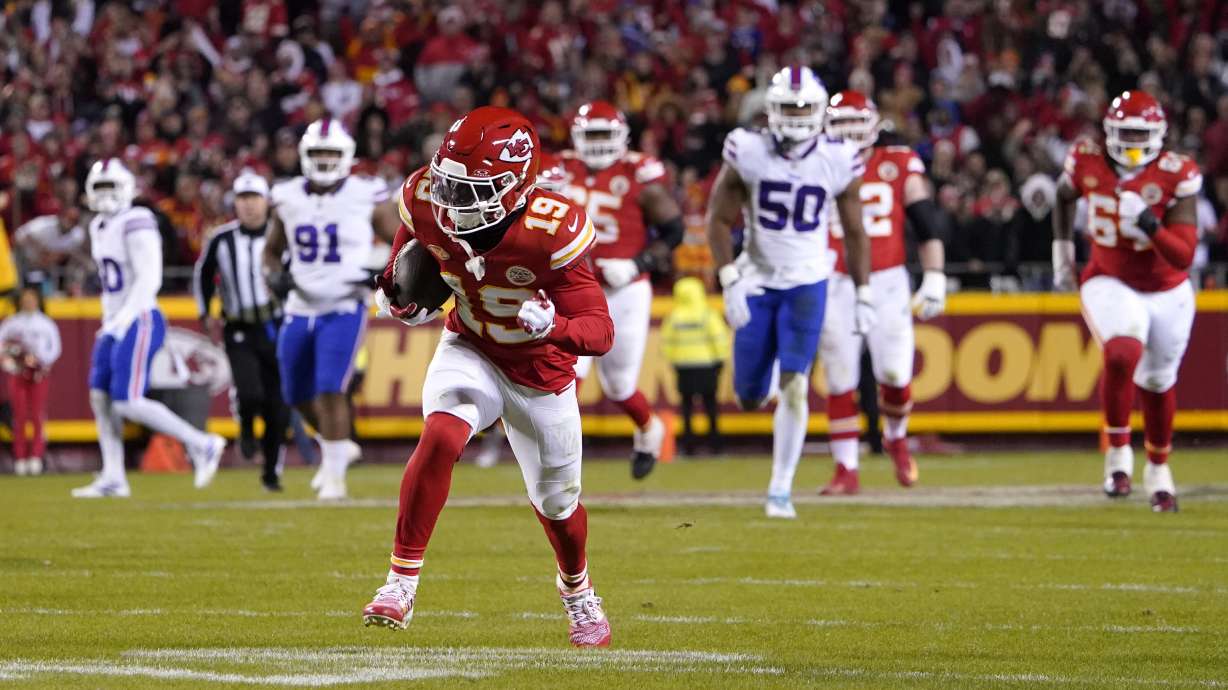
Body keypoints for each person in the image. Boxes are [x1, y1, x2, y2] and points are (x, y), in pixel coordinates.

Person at [362, 106, 613, 647]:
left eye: (472, 190)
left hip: (540, 370)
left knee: (558, 505)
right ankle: (399, 582)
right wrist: (398, 296)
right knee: (443, 433)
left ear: (517, 187)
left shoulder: (551, 229)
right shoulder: (426, 199)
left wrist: (557, 326)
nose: (453, 203)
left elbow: (599, 331)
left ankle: (578, 589)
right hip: (471, 345)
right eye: (451, 185)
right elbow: (401, 265)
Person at [706, 65, 873, 519]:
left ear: (819, 111)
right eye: (788, 107)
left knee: (796, 386)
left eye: (804, 107)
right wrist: (729, 280)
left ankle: (780, 489)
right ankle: (766, 392)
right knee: (748, 396)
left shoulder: (838, 157)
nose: (797, 116)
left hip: (808, 281)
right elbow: (718, 220)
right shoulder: (749, 149)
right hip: (758, 280)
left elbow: (856, 232)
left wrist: (863, 293)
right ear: (771, 110)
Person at [1052, 90, 1201, 513]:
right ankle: (1118, 455)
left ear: (1158, 135)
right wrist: (1061, 252)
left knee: (1157, 382)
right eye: (1125, 133)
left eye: (1141, 134)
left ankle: (1158, 469)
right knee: (1121, 351)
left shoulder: (1177, 173)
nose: (1133, 143)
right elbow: (1064, 197)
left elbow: (1183, 255)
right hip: (1109, 277)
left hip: (1168, 288)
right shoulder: (1086, 159)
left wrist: (1150, 224)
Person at [817, 90, 950, 495]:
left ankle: (896, 437)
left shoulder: (898, 163)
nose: (852, 136)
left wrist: (935, 275)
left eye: (859, 127)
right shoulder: (814, 165)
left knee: (894, 374)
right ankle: (846, 469)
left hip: (888, 279)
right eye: (843, 127)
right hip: (835, 278)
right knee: (840, 376)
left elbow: (925, 221)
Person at [261, 118, 402, 500]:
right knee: (294, 392)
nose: (324, 160)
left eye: (331, 153)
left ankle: (336, 476)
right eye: (318, 152)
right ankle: (336, 447)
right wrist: (273, 276)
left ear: (347, 157)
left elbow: (403, 241)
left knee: (329, 386)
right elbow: (271, 252)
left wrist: (384, 272)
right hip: (298, 304)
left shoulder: (365, 193)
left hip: (344, 304)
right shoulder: (287, 195)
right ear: (305, 155)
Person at [73, 159, 227, 498]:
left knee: (126, 401)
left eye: (111, 187)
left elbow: (149, 277)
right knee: (100, 398)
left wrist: (124, 319)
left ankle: (202, 443)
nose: (106, 195)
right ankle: (113, 476)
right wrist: (109, 322)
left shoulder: (137, 220)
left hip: (138, 318)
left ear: (127, 189)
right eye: (99, 188)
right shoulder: (98, 225)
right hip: (114, 322)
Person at [554, 101, 685, 479]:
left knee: (619, 385)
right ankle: (559, 463)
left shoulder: (638, 174)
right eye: (589, 134)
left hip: (624, 291)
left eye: (603, 134)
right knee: (567, 374)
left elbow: (674, 231)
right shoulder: (559, 170)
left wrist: (637, 264)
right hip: (573, 288)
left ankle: (648, 429)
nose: (596, 144)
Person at [194, 171, 291, 492]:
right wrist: (205, 311)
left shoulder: (282, 236)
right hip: (238, 326)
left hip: (276, 325)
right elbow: (203, 275)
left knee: (278, 405)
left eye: (254, 198)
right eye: (242, 199)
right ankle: (247, 426)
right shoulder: (222, 239)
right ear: (235, 203)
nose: (249, 206)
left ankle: (271, 473)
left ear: (267, 202)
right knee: (250, 393)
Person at [660, 277, 729, 455]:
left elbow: (667, 342)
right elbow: (719, 338)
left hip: (684, 366)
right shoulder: (708, 314)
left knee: (687, 407)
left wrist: (674, 360)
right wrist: (720, 360)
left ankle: (689, 446)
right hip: (708, 365)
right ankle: (716, 445)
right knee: (711, 406)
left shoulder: (674, 317)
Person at [0, 287, 61, 475]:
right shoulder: (12, 323)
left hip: (38, 375)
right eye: (25, 299)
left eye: (31, 299)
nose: (28, 302)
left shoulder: (46, 323)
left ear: (37, 301)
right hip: (18, 374)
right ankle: (19, 457)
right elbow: (2, 345)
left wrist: (42, 364)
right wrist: (9, 362)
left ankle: (36, 456)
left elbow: (55, 348)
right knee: (19, 416)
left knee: (37, 415)